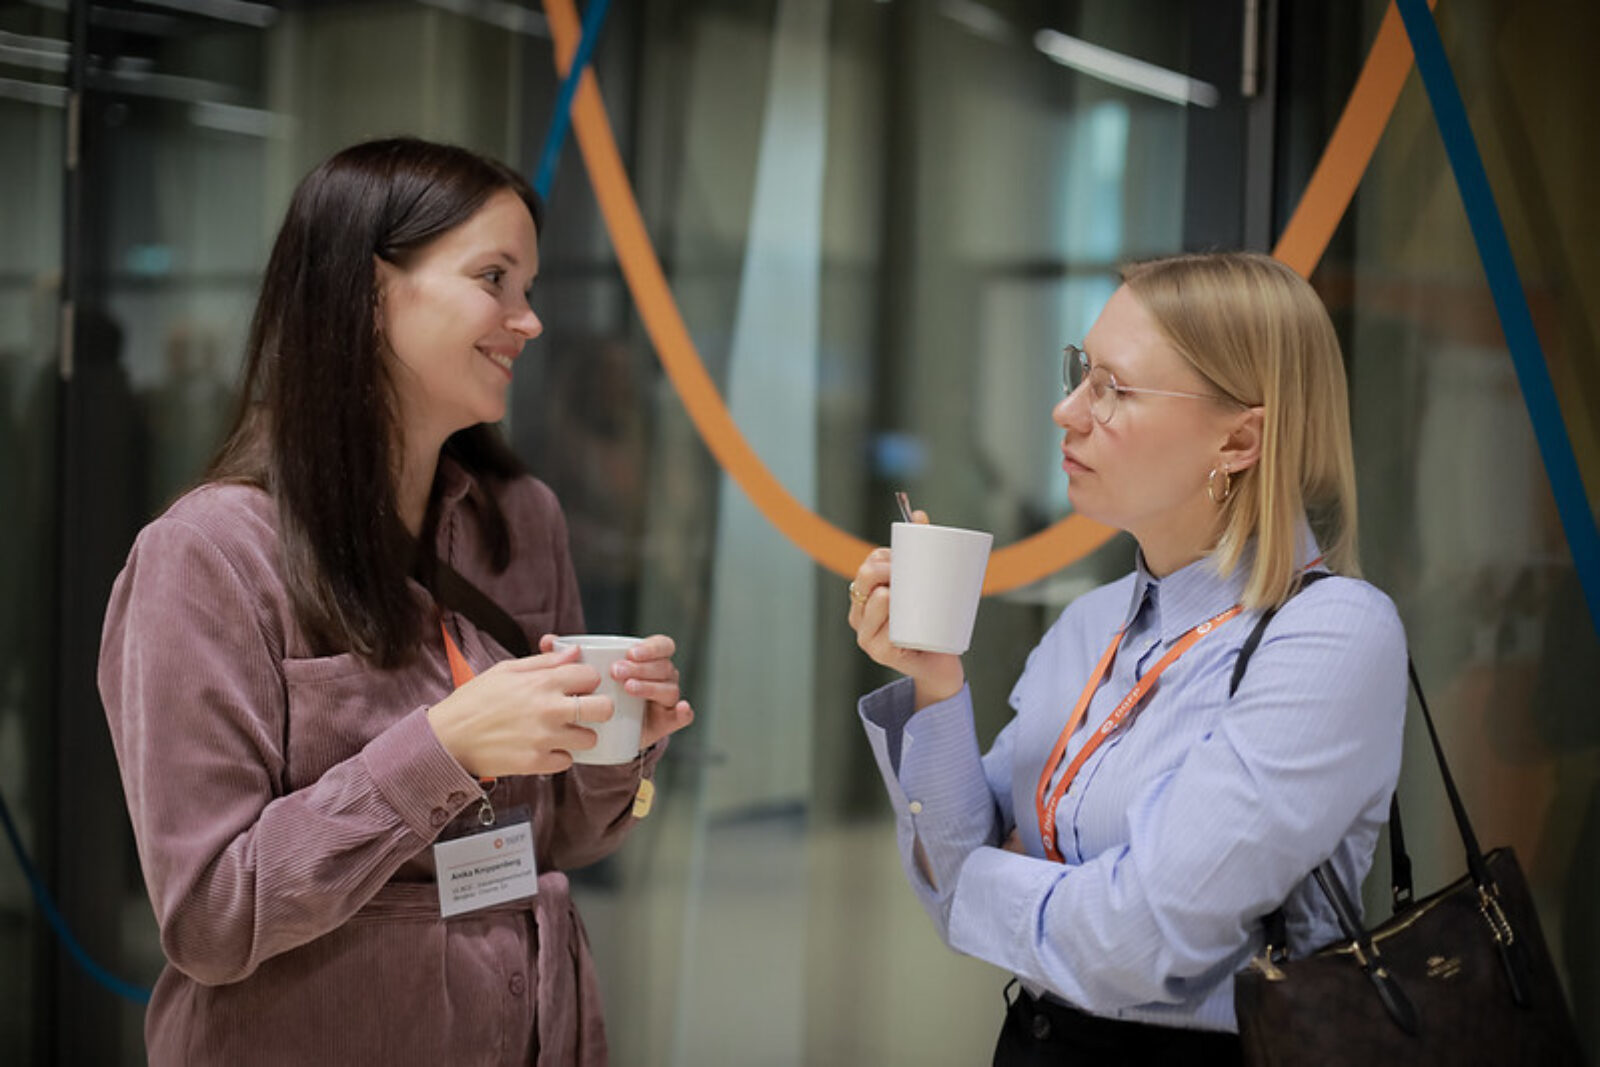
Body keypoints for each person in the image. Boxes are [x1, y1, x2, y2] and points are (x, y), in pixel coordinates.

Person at [98, 137, 694, 1066]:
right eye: (494, 278)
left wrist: (619, 739)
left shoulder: (523, 521)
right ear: (372, 293)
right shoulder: (206, 555)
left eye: (529, 287)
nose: (529, 320)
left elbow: (564, 836)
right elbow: (210, 917)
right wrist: (444, 748)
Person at [846, 252, 1407, 1065]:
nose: (1065, 409)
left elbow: (1141, 941)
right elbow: (951, 862)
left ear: (1240, 438)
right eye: (1081, 371)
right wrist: (935, 681)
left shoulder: (1333, 635)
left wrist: (984, 881)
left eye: (1112, 387)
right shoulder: (1090, 622)